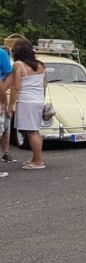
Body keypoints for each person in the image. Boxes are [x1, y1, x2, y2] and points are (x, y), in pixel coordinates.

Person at [8, 39, 46, 169]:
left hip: (26, 101)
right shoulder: (41, 65)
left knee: (31, 132)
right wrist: (41, 99)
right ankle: (36, 158)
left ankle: (38, 161)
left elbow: (16, 87)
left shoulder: (18, 65)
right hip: (38, 100)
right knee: (35, 130)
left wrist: (11, 105)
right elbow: (44, 85)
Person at [0, 42, 14, 170]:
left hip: (1, 93)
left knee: (4, 126)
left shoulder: (1, 54)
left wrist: (2, 92)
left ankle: (5, 153)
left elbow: (9, 75)